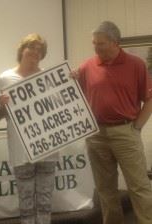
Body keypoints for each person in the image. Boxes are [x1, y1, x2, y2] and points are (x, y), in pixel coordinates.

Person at [72, 21, 152, 224]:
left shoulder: (136, 65)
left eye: (101, 43)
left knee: (139, 186)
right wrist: (71, 78)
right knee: (105, 189)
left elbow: (149, 98)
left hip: (125, 132)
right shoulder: (88, 66)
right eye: (94, 43)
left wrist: (137, 127)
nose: (96, 48)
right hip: (96, 135)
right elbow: (73, 95)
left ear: (115, 42)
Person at [0, 33, 58, 224]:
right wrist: (3, 105)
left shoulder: (49, 77)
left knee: (45, 200)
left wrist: (71, 82)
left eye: (40, 50)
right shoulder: (6, 78)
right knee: (26, 201)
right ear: (22, 50)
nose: (35, 53)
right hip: (21, 149)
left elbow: (62, 105)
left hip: (47, 147)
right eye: (32, 48)